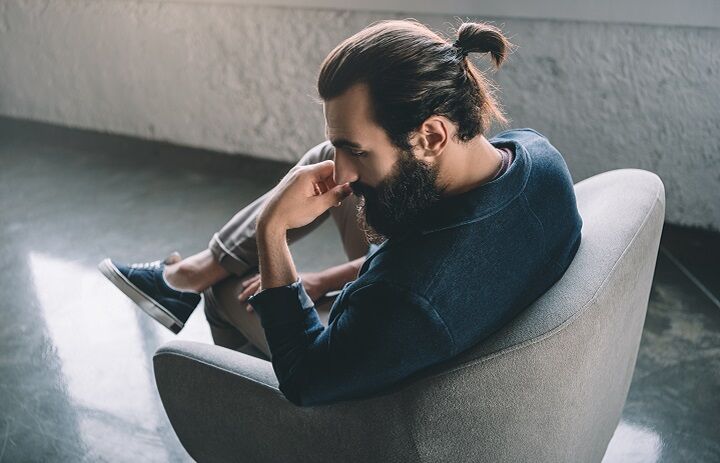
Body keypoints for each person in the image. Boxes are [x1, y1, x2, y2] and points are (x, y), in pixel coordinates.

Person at [99, 19, 583, 406]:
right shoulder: (536, 158)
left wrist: (273, 228)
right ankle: (188, 275)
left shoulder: (406, 292)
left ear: (433, 135)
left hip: (362, 373)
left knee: (227, 289)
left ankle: (257, 415)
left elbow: (307, 377)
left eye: (357, 151)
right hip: (438, 303)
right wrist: (323, 279)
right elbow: (437, 262)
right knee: (325, 161)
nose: (345, 174)